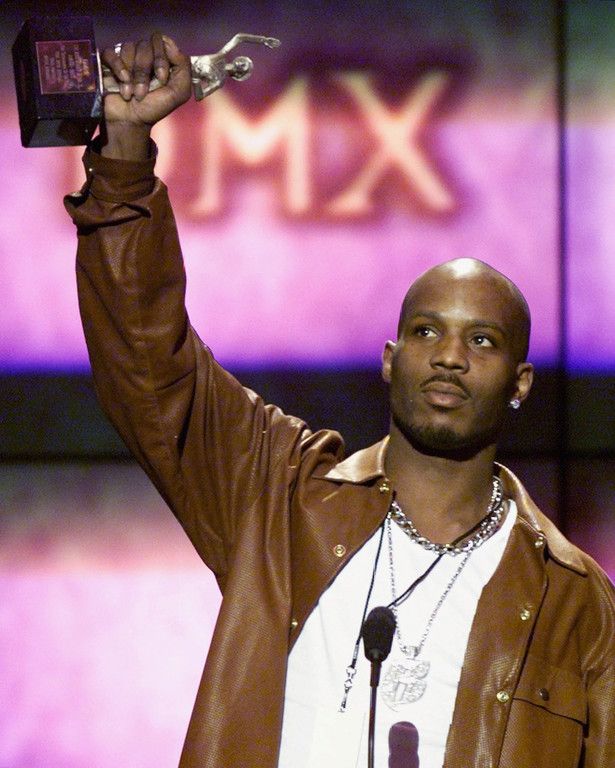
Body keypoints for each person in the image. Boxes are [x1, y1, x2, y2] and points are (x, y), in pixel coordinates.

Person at [66, 33, 615, 768]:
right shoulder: (280, 494)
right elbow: (149, 365)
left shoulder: (573, 602)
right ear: (390, 359)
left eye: (481, 341)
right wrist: (124, 157)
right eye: (426, 331)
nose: (449, 356)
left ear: (519, 384)